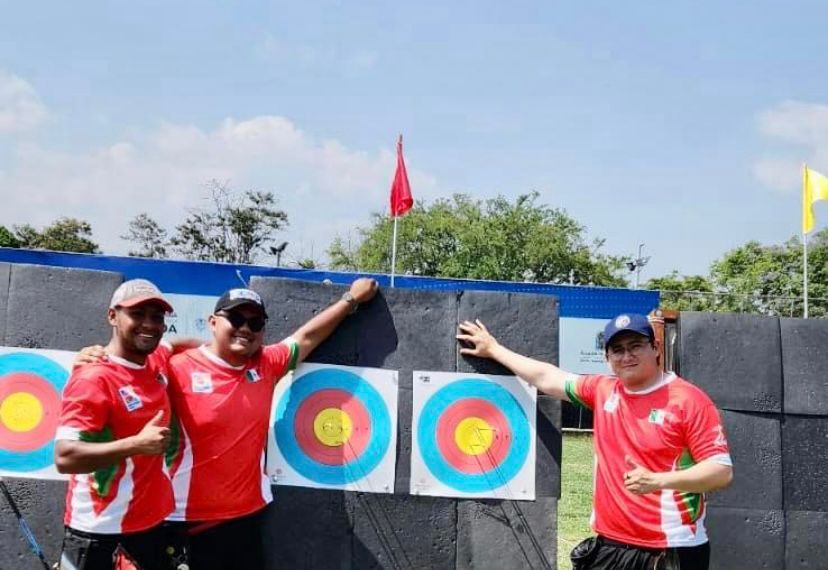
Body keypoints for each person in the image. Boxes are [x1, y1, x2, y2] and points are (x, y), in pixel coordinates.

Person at [457, 313, 733, 570]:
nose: (627, 356)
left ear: (656, 348)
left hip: (670, 551)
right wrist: (493, 349)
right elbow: (547, 377)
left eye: (636, 346)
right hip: (609, 545)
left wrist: (659, 480)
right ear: (607, 357)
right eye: (618, 350)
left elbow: (720, 472)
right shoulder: (602, 390)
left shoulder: (689, 400)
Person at [165, 278, 378, 569]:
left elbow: (306, 338)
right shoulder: (177, 366)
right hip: (185, 522)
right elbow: (127, 375)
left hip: (245, 522)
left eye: (255, 323)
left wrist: (351, 299)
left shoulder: (264, 364)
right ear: (212, 322)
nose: (245, 328)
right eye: (236, 318)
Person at [55, 279, 186, 570]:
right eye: (137, 314)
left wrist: (237, 351)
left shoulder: (154, 361)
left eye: (157, 317)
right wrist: (137, 444)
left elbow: (176, 343)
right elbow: (65, 457)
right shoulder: (93, 377)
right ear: (113, 316)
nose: (149, 325)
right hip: (99, 533)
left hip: (151, 527)